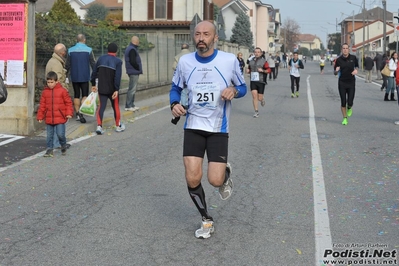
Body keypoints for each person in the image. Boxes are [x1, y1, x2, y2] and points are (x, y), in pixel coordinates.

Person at [169, 20, 247, 239]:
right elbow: (175, 87)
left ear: (215, 38)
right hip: (193, 125)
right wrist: (174, 104)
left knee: (214, 180)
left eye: (206, 34)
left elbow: (243, 87)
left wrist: (233, 90)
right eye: (197, 34)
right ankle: (205, 219)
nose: (201, 38)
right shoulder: (185, 62)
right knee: (192, 178)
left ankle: (225, 174)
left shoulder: (229, 60)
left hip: (217, 128)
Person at [90, 43, 125, 135]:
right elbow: (117, 77)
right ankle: (118, 126)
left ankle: (99, 126)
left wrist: (93, 84)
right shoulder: (118, 61)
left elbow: (94, 73)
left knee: (101, 107)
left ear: (107, 50)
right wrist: (116, 89)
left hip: (102, 87)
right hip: (113, 89)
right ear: (116, 51)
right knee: (115, 106)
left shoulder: (101, 59)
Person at [37, 71, 73, 157]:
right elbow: (42, 105)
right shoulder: (45, 92)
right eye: (48, 82)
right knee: (49, 136)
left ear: (56, 81)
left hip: (60, 117)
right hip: (49, 118)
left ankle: (63, 145)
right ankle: (49, 149)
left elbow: (68, 103)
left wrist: (69, 113)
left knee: (60, 134)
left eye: (52, 82)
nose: (50, 84)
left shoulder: (62, 91)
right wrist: (40, 116)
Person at [45, 43, 71, 150]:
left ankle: (56, 143)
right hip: (57, 97)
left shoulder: (54, 61)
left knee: (55, 119)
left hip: (54, 96)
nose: (65, 54)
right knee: (58, 119)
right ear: (62, 52)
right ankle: (58, 143)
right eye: (65, 52)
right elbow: (58, 80)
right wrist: (64, 91)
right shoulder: (56, 64)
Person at [66, 34, 96, 124]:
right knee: (84, 95)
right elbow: (93, 63)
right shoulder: (89, 50)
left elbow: (67, 65)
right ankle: (82, 112)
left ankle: (78, 113)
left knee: (76, 95)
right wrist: (95, 75)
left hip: (74, 76)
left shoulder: (70, 50)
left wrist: (65, 75)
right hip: (85, 76)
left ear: (77, 40)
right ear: (84, 40)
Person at [333, 43, 359, 126]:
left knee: (350, 101)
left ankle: (350, 107)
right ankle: (344, 118)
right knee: (343, 101)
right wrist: (336, 70)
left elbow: (357, 66)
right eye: (343, 48)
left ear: (349, 49)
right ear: (341, 50)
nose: (345, 49)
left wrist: (356, 71)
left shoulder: (353, 58)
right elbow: (335, 72)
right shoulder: (338, 60)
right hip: (342, 82)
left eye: (346, 48)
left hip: (351, 82)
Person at [247, 47, 270, 117]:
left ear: (260, 53)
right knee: (254, 96)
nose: (256, 53)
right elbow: (249, 68)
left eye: (258, 52)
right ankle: (256, 111)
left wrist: (263, 70)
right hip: (253, 80)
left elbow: (269, 70)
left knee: (259, 98)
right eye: (255, 52)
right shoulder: (251, 61)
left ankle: (262, 99)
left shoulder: (264, 61)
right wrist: (248, 71)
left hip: (261, 81)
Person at [125, 36, 142, 112]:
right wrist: (138, 67)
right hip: (133, 71)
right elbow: (132, 61)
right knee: (132, 89)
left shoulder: (131, 48)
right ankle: (128, 105)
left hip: (132, 71)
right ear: (136, 41)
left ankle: (131, 104)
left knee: (133, 88)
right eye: (138, 41)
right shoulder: (132, 49)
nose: (139, 42)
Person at [172, 43, 191, 109]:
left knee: (183, 90)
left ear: (181, 48)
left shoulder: (177, 56)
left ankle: (184, 105)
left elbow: (174, 67)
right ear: (188, 48)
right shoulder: (192, 55)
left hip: (181, 75)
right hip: (191, 75)